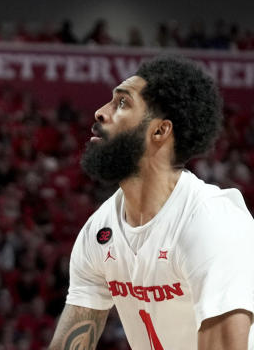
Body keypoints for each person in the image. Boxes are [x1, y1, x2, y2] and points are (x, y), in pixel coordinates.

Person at [48, 55, 254, 350]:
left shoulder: (211, 221)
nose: (99, 112)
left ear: (159, 131)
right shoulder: (99, 231)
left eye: (122, 103)